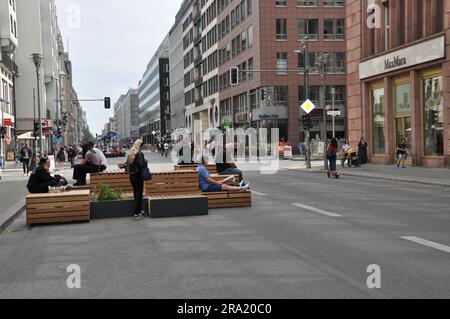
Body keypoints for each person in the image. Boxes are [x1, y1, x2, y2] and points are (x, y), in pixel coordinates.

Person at [118, 139, 148, 220]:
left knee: (136, 194)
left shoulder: (131, 153)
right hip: (138, 176)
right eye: (142, 145)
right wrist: (145, 161)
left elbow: (128, 164)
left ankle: (139, 210)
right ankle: (137, 213)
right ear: (140, 145)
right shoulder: (139, 153)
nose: (143, 146)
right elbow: (142, 164)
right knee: (139, 195)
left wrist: (122, 165)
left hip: (132, 177)